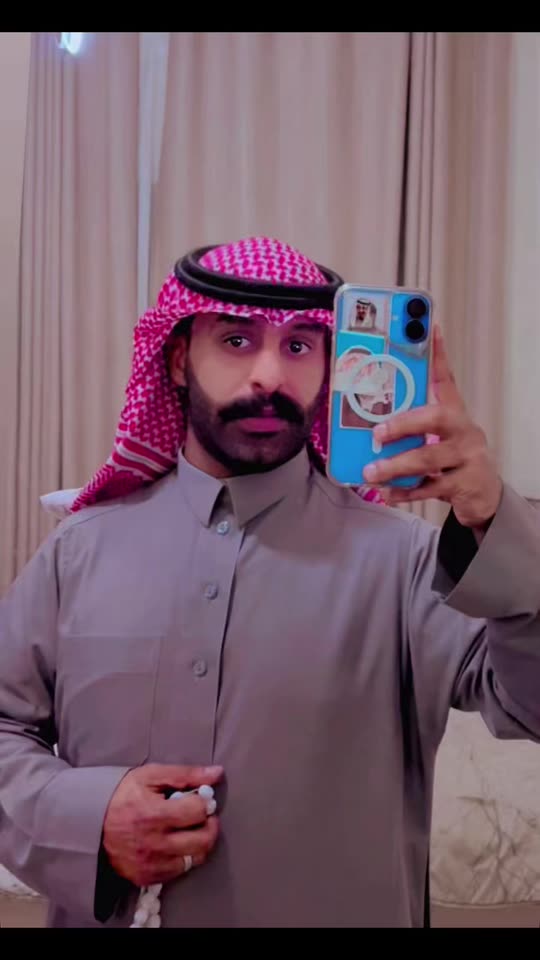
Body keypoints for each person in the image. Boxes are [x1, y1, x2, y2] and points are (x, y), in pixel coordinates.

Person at [0, 236, 538, 929]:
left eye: (298, 346)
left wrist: (495, 520)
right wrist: (85, 817)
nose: (269, 376)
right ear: (177, 359)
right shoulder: (80, 551)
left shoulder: (404, 560)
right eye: (235, 340)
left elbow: (528, 706)